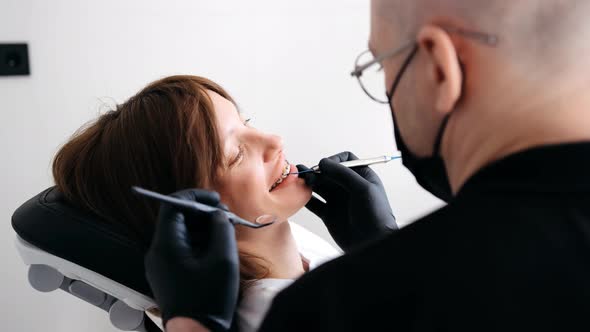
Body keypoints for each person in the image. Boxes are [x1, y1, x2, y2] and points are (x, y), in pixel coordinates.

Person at [146, 0, 590, 331]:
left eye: (382, 66)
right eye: (235, 148)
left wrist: (191, 325)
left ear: (439, 68)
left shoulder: (338, 310)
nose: (276, 141)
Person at [51, 75, 362, 331]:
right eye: (236, 154)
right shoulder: (280, 317)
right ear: (188, 213)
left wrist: (380, 245)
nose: (274, 141)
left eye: (247, 123)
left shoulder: (295, 244)